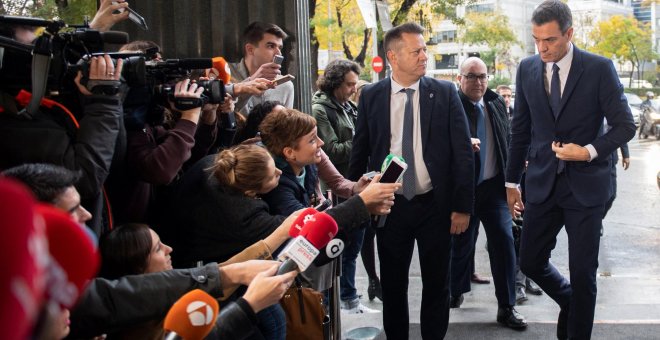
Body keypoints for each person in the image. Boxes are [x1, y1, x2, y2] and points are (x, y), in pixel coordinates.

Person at [505, 1, 636, 339]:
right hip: (542, 183)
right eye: (536, 39)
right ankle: (571, 302)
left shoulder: (598, 68)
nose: (542, 47)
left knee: (583, 274)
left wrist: (589, 151)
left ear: (569, 33)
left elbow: (625, 126)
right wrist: (510, 182)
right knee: (530, 261)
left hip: (587, 187)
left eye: (549, 40)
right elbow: (519, 130)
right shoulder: (526, 68)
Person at [347, 22, 474, 339]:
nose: (423, 57)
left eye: (425, 50)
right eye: (416, 51)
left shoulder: (443, 93)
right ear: (393, 55)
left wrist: (462, 207)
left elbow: (462, 154)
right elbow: (360, 150)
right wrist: (356, 203)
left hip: (436, 205)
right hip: (390, 207)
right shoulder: (372, 96)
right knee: (392, 286)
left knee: (436, 284)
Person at [449, 57, 526, 329]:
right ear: (460, 79)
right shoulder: (451, 106)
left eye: (482, 76)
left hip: (494, 189)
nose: (478, 82)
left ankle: (507, 306)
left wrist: (514, 182)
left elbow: (509, 142)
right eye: (471, 76)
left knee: (504, 242)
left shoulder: (496, 103)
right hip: (463, 191)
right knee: (461, 244)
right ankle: (455, 290)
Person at [311, 58, 377, 314]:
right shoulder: (321, 110)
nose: (353, 89)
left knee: (354, 246)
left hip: (354, 182)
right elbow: (332, 150)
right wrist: (364, 140)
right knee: (341, 247)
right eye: (349, 84)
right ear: (335, 83)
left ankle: (349, 297)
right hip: (338, 188)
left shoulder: (347, 107)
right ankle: (340, 300)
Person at [229, 21, 295, 116]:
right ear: (250, 49)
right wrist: (251, 82)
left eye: (279, 48)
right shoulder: (227, 74)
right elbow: (221, 115)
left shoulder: (285, 86)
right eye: (271, 46)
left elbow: (285, 127)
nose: (279, 54)